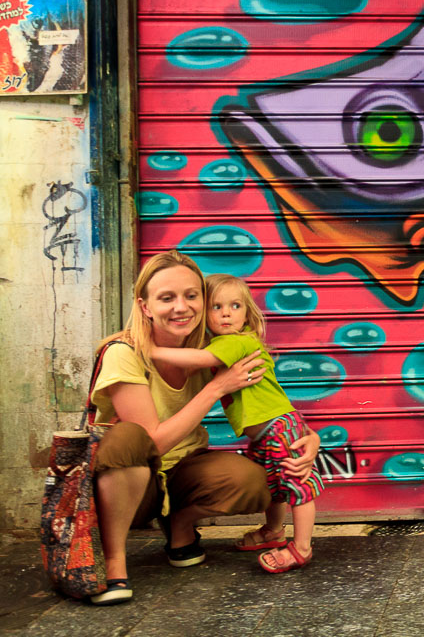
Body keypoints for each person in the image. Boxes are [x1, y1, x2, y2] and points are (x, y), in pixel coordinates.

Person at [89, 251, 320, 605]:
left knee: (257, 481)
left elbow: (273, 397)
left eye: (191, 295)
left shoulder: (209, 347)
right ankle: (115, 566)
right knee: (129, 436)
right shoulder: (124, 352)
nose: (181, 307)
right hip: (134, 481)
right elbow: (152, 444)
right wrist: (216, 388)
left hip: (184, 468)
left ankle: (180, 521)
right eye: (167, 298)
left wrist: (310, 437)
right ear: (145, 305)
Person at [150, 273, 323, 574]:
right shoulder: (226, 345)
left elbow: (199, 360)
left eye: (235, 306)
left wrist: (147, 349)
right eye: (216, 307)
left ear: (247, 314)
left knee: (298, 485)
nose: (226, 313)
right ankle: (274, 531)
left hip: (278, 426)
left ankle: (302, 547)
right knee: (272, 484)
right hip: (267, 432)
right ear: (204, 313)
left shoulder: (235, 343)